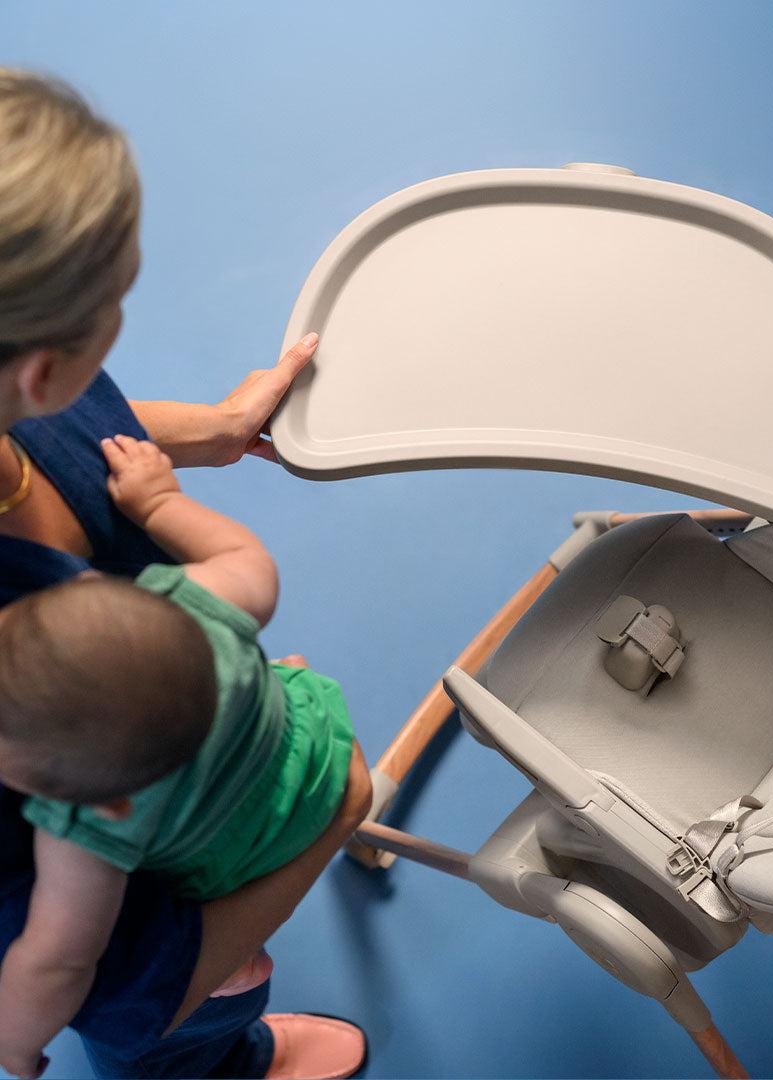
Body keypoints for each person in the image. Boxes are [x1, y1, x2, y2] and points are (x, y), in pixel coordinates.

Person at [0, 67, 372, 1078]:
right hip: (211, 894)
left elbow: (66, 427)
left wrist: (208, 429)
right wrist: (336, 810)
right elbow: (106, 979)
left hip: (200, 824)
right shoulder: (184, 622)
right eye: (114, 303)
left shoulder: (78, 786)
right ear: (40, 368)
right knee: (192, 1026)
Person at [0, 433, 366, 1079]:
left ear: (106, 803)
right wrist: (160, 502)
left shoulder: (86, 829)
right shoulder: (198, 607)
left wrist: (15, 1042)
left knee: (203, 988)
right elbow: (244, 554)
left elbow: (57, 960)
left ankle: (227, 1007)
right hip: (320, 753)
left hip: (243, 863)